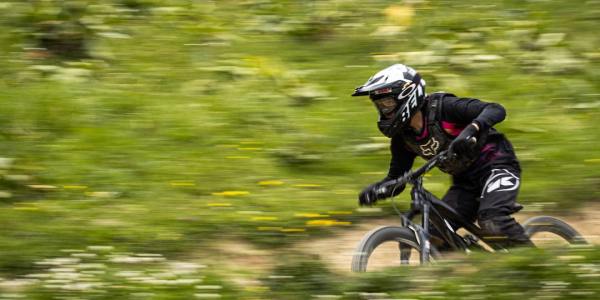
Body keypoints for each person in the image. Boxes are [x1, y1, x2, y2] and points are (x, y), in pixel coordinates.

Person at [352, 64, 532, 249]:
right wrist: (377, 190)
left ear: (407, 95)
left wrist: (471, 130)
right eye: (379, 106)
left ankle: (538, 264)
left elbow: (495, 109)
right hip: (465, 183)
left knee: (493, 220)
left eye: (387, 103)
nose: (384, 111)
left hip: (496, 165)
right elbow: (397, 179)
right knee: (435, 236)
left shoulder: (443, 108)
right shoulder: (403, 139)